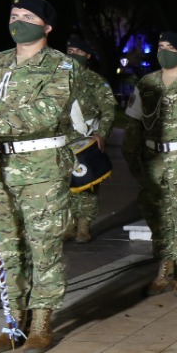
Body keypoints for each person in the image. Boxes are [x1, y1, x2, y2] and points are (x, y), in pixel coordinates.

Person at [0, 0, 77, 353]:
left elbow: (47, 111)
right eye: (14, 14)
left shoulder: (61, 66)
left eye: (28, 16)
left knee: (43, 246)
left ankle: (43, 323)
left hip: (42, 168)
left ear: (46, 27)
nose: (18, 21)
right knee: (6, 246)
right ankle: (14, 323)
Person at [125, 31, 177, 297]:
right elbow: (134, 122)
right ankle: (164, 267)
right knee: (157, 216)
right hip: (154, 160)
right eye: (160, 46)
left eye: (170, 46)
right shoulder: (147, 83)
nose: (164, 50)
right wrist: (131, 157)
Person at [62, 35, 116, 244]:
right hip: (62, 139)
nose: (73, 55)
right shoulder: (58, 79)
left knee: (88, 183)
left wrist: (102, 133)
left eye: (78, 52)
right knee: (63, 185)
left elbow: (109, 109)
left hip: (86, 138)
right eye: (70, 51)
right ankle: (68, 225)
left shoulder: (96, 81)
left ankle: (84, 226)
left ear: (87, 56)